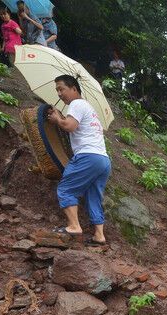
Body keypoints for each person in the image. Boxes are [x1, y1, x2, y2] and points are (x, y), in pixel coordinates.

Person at [46, 75, 111, 246]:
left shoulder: (77, 104)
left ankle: (74, 226)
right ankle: (99, 235)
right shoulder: (88, 107)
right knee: (93, 195)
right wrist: (61, 116)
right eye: (57, 90)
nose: (59, 93)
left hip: (87, 156)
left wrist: (57, 119)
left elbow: (69, 126)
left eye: (62, 89)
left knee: (66, 189)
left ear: (74, 89)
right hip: (103, 160)